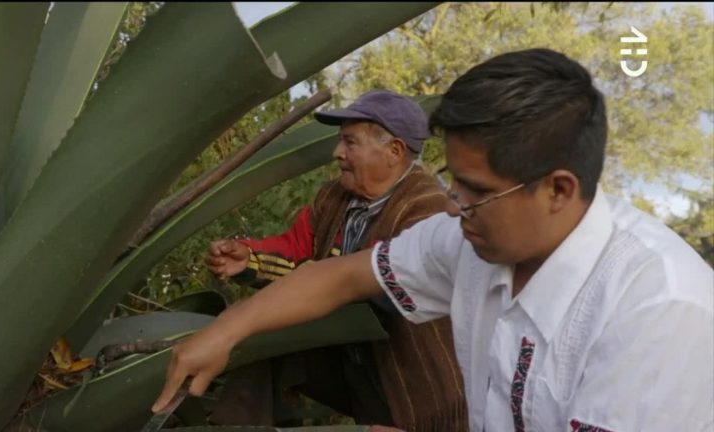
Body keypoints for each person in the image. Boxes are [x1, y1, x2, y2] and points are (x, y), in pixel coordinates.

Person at [153, 49, 714, 431]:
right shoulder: (471, 242)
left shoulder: (658, 314)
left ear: (558, 190)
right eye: (454, 181)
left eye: (475, 192)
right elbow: (343, 274)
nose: (456, 207)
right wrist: (227, 330)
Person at [204, 90, 468, 430]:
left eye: (350, 142)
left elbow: (364, 287)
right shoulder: (335, 196)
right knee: (261, 338)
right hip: (349, 361)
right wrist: (248, 259)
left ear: (394, 151)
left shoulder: (427, 209)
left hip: (407, 381)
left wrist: (315, 285)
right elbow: (298, 248)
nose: (337, 153)